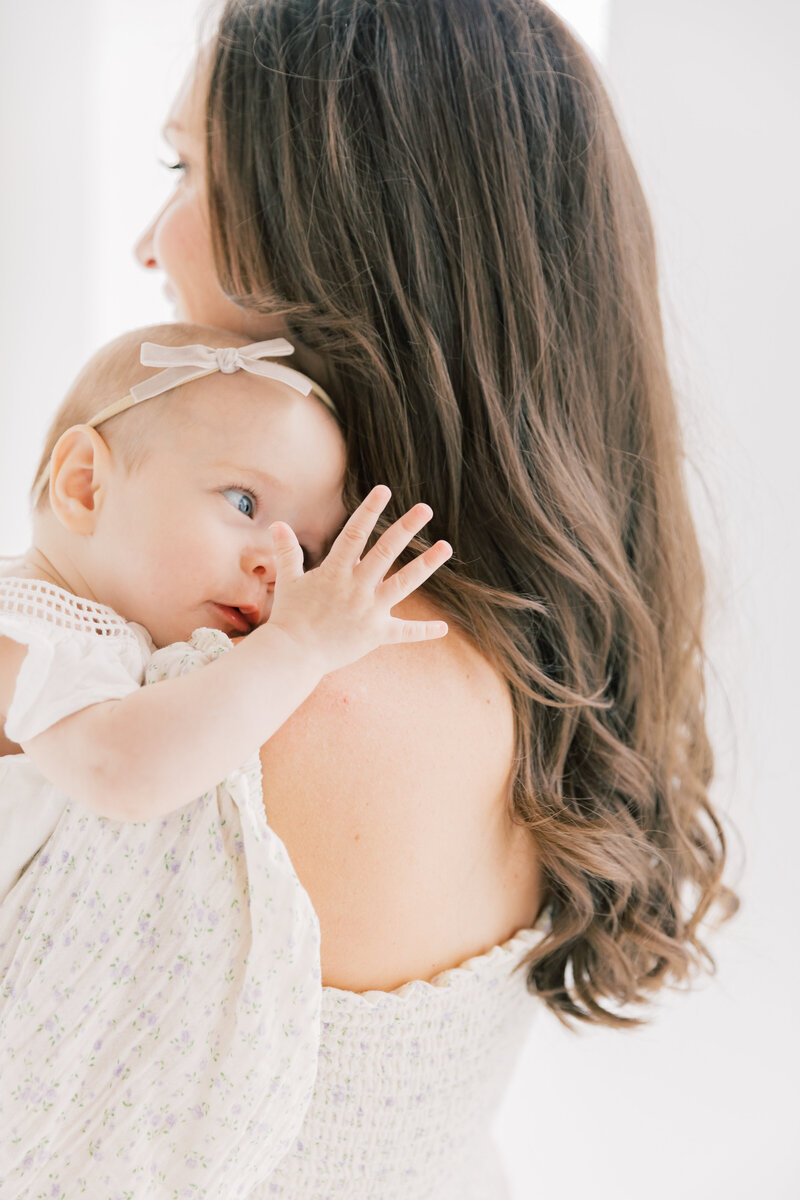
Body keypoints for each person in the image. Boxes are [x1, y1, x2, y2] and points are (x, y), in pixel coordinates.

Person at [5, 0, 740, 1196]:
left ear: (336, 236)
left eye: (187, 169)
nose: (150, 244)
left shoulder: (262, 689)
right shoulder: (519, 636)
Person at [0, 320, 451, 1196]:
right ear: (85, 485)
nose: (275, 565)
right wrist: (296, 652)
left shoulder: (103, 640)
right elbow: (123, 774)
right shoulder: (32, 630)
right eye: (244, 503)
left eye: (307, 552)